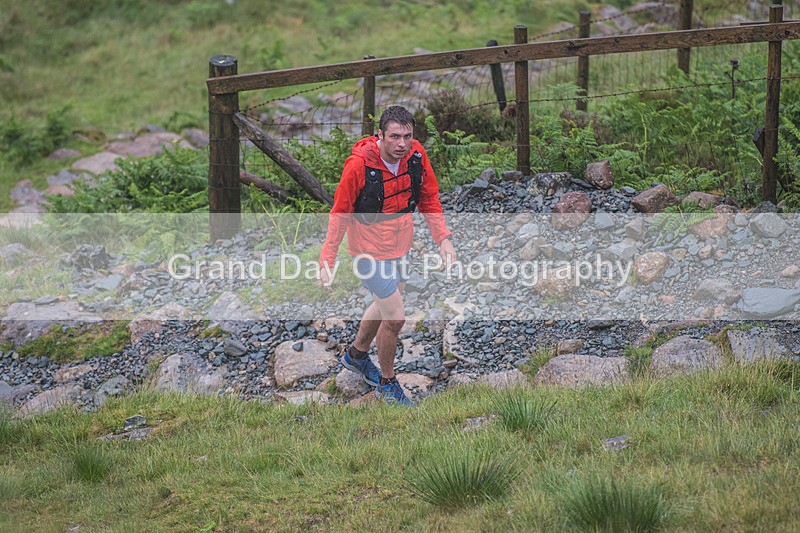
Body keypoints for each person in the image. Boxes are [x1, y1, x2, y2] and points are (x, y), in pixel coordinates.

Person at [318, 105, 456, 405]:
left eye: (407, 136)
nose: (402, 144)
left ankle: (355, 355)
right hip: (366, 252)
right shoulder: (358, 166)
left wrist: (443, 239)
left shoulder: (416, 156)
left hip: (401, 245)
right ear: (379, 135)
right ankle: (387, 382)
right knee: (395, 318)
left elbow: (429, 197)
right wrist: (327, 260)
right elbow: (340, 213)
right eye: (394, 136)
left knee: (384, 306)